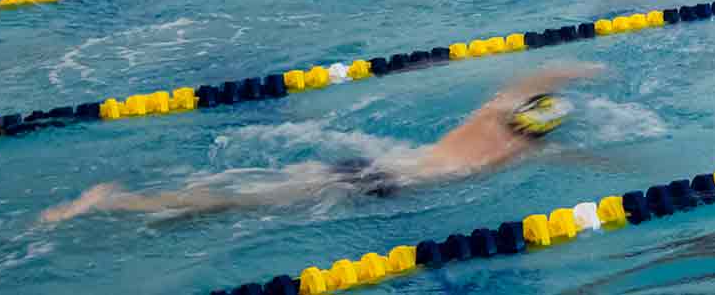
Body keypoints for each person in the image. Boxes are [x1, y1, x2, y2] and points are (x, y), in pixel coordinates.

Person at [39, 64, 602, 222]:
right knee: (242, 200)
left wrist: (576, 73)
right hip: (381, 183)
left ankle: (159, 203)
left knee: (245, 195)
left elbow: (527, 80)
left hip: (376, 165)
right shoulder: (520, 151)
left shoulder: (492, 117)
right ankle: (112, 200)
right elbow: (587, 159)